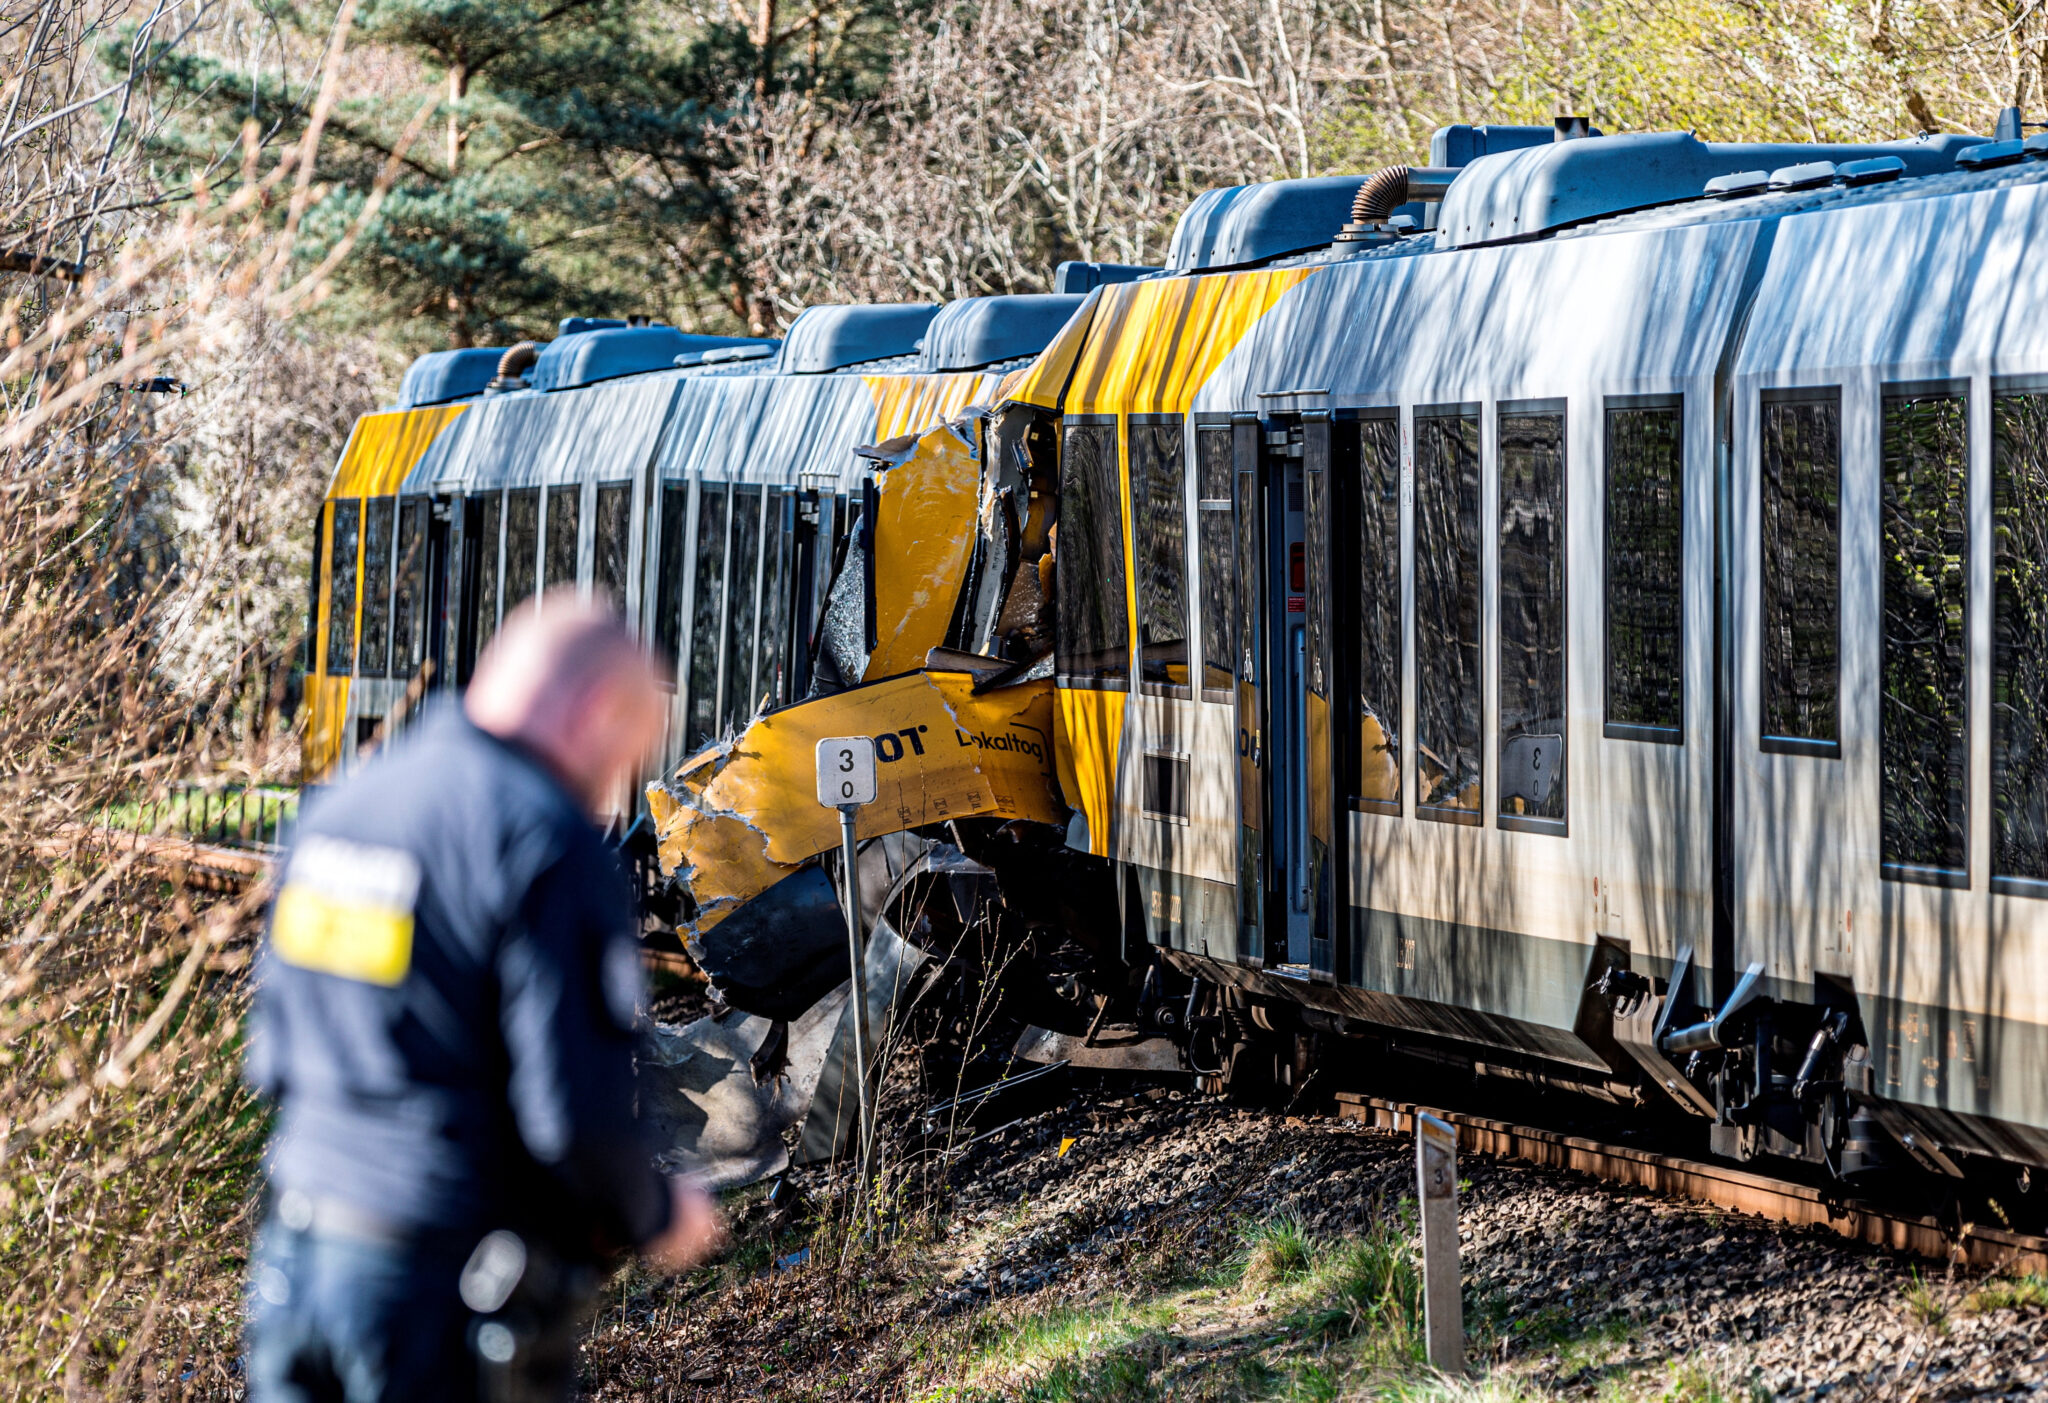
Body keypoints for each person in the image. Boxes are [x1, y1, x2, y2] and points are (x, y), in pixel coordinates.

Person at [245, 593, 722, 1403]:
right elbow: (573, 1113)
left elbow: (273, 1051)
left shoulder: (347, 808)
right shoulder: (540, 836)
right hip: (439, 1294)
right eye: (622, 756)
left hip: (296, 1266)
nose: (607, 791)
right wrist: (656, 1212)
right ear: (597, 709)